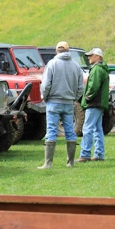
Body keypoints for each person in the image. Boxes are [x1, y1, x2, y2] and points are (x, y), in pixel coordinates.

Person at [38, 41, 84, 169]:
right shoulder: (76, 66)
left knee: (51, 131)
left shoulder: (52, 64)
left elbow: (46, 84)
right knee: (70, 131)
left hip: (53, 102)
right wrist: (74, 98)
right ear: (68, 51)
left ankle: (48, 163)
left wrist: (45, 97)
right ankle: (70, 162)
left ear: (56, 51)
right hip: (69, 103)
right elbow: (81, 87)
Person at [76, 47, 110, 162]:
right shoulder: (102, 69)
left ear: (98, 57)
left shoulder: (96, 69)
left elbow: (93, 87)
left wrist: (87, 98)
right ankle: (99, 154)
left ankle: (85, 154)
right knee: (97, 129)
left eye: (91, 55)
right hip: (99, 103)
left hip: (94, 103)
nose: (89, 57)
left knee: (87, 128)